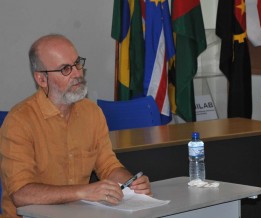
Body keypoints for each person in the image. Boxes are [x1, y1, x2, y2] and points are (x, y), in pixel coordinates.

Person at [0, 34, 151, 217]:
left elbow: (108, 166)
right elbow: (21, 194)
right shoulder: (19, 121)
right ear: (41, 79)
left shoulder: (91, 113)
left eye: (77, 63)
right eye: (65, 69)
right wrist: (83, 192)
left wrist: (131, 183)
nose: (77, 74)